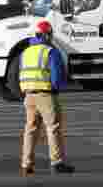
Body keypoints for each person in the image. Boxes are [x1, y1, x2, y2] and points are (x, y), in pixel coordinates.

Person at [19, 21, 74, 176]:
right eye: (50, 34)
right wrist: (57, 88)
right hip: (46, 95)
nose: (51, 37)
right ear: (45, 34)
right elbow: (56, 76)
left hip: (29, 95)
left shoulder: (26, 52)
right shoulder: (50, 51)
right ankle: (57, 163)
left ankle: (26, 164)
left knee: (30, 130)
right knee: (53, 127)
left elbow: (20, 73)